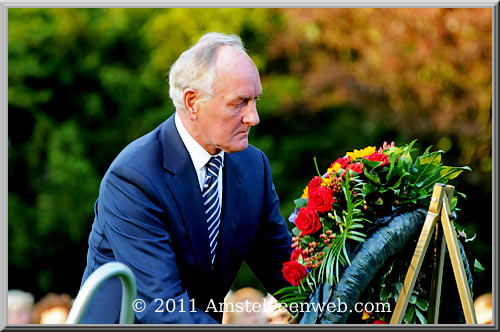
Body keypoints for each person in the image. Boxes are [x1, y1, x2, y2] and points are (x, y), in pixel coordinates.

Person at [79, 32, 293, 324]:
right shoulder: (134, 177)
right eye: (239, 103)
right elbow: (161, 309)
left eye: (255, 100)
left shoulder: (254, 165)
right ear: (192, 102)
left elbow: (288, 275)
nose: (253, 117)